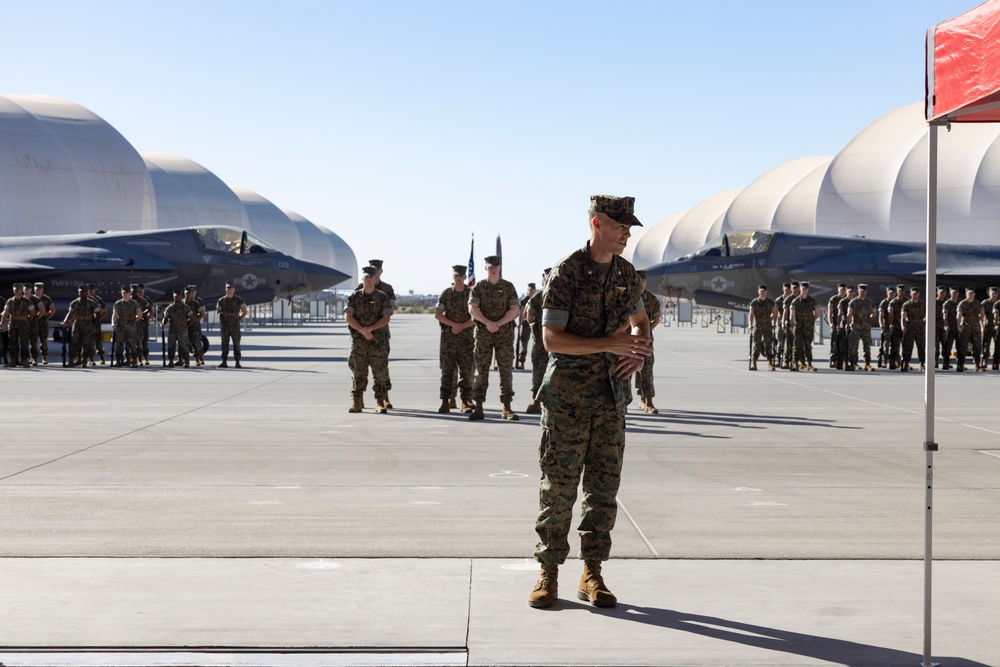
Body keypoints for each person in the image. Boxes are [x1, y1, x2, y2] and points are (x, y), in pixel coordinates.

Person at [529, 194, 652, 610]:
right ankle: (549, 573)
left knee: (603, 491)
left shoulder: (627, 275)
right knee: (559, 489)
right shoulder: (567, 273)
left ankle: (592, 572)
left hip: (610, 401)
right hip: (567, 399)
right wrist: (611, 343)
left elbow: (641, 322)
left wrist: (635, 354)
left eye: (629, 227)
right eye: (620, 226)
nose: (627, 233)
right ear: (597, 223)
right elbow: (552, 340)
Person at [468, 255, 520, 421]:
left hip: (504, 335)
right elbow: (472, 308)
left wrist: (498, 323)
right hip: (484, 334)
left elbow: (514, 309)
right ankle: (479, 407)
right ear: (486, 268)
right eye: (490, 267)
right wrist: (487, 323)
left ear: (500, 268)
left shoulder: (508, 286)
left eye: (495, 267)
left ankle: (507, 407)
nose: (492, 269)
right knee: (481, 371)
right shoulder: (478, 287)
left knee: (505, 371)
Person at [346, 266, 392, 413]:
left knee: (379, 372)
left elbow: (386, 318)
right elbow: (348, 317)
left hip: (377, 342)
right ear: (362, 279)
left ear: (375, 279)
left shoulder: (382, 297)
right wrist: (362, 330)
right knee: (358, 372)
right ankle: (357, 401)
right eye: (366, 277)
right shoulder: (354, 297)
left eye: (371, 277)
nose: (369, 279)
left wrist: (369, 330)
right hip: (359, 342)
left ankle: (380, 402)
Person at [434, 265, 475, 413]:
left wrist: (462, 326)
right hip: (449, 339)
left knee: (466, 372)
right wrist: (453, 325)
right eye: (456, 275)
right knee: (447, 372)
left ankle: (465, 401)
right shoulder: (446, 293)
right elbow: (438, 314)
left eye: (461, 276)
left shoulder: (471, 294)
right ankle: (445, 401)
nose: (458, 278)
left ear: (465, 277)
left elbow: (476, 315)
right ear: (453, 276)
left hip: (467, 339)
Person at [359, 259, 396, 407]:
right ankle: (358, 398)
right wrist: (364, 329)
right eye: (371, 269)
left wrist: (373, 326)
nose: (374, 272)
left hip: (381, 333)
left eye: (377, 269)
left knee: (382, 366)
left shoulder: (387, 289)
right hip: (361, 334)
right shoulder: (360, 288)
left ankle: (384, 397)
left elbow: (390, 310)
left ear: (381, 271)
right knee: (360, 367)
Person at [635, 270, 662, 411]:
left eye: (643, 281)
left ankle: (647, 401)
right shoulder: (625, 297)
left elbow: (656, 319)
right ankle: (623, 403)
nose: (641, 284)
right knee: (622, 371)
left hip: (645, 342)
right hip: (626, 340)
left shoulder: (651, 299)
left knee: (646, 370)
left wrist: (645, 330)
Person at [524, 268, 550, 414]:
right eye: (546, 279)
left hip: (559, 343)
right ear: (543, 280)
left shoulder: (562, 295)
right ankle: (536, 401)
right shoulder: (537, 298)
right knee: (539, 372)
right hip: (540, 343)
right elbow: (529, 317)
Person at [0, 283, 36, 367]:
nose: (16, 290)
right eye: (15, 289)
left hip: (23, 324)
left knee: (24, 343)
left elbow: (32, 312)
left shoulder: (27, 301)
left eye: (18, 289)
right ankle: (13, 360)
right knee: (12, 343)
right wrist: (1, 322)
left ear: (21, 290)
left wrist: (28, 319)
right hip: (13, 324)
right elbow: (6, 312)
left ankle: (24, 360)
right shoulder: (10, 301)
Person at [62, 285, 97, 367]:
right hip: (77, 324)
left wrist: (95, 321)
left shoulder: (92, 303)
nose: (82, 293)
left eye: (83, 292)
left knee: (86, 343)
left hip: (88, 324)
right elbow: (70, 314)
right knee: (74, 342)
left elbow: (98, 313)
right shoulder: (75, 303)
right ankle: (71, 360)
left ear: (86, 293)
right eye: (80, 292)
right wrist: (65, 322)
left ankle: (84, 360)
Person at [216, 281, 248, 368]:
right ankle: (224, 361)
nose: (229, 289)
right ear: (225, 289)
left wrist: (239, 319)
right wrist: (223, 317)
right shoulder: (221, 300)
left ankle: (237, 362)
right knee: (224, 344)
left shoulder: (239, 300)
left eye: (231, 288)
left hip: (235, 326)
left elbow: (244, 311)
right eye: (227, 287)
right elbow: (218, 312)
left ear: (234, 289)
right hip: (225, 326)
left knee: (236, 344)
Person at [789, 281, 819, 371]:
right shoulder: (795, 301)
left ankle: (809, 363)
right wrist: (791, 325)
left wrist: (810, 320)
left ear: (808, 289)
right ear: (800, 289)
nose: (804, 290)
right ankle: (796, 363)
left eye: (806, 288)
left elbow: (817, 313)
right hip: (798, 327)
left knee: (808, 345)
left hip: (808, 328)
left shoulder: (813, 300)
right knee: (797, 345)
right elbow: (792, 315)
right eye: (803, 288)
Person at [847, 284, 876, 371]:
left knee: (867, 346)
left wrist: (868, 319)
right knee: (854, 346)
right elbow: (849, 314)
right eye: (861, 291)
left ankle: (867, 364)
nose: (863, 293)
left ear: (866, 292)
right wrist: (847, 324)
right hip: (855, 326)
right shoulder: (853, 302)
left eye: (864, 292)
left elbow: (874, 313)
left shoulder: (870, 302)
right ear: (858, 292)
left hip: (866, 328)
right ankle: (852, 363)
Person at [111, 285, 142, 366]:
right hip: (120, 326)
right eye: (123, 293)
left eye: (127, 293)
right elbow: (114, 314)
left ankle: (134, 361)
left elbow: (139, 315)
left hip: (130, 327)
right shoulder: (118, 303)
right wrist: (113, 323)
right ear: (121, 293)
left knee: (132, 344)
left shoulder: (134, 303)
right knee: (119, 344)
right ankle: (118, 361)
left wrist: (133, 320)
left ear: (129, 293)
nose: (125, 294)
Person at [161, 290, 193, 368]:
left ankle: (186, 362)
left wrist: (186, 325)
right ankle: (171, 361)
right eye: (175, 297)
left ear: (181, 297)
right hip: (172, 329)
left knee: (184, 346)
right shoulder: (170, 307)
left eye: (178, 296)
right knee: (171, 346)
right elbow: (166, 317)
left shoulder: (185, 307)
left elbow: (191, 318)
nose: (177, 298)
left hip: (182, 330)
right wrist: (162, 324)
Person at [748, 284, 776, 371]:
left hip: (767, 326)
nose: (763, 292)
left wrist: (771, 319)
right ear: (758, 292)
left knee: (768, 344)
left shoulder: (770, 302)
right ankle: (754, 363)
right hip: (758, 325)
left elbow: (775, 312)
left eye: (764, 291)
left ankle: (770, 363)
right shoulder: (754, 302)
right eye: (761, 291)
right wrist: (750, 324)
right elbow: (751, 314)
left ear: (766, 292)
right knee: (756, 345)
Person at [957, 286, 984, 372]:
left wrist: (981, 324)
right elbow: (959, 316)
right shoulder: (962, 303)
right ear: (966, 294)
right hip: (966, 326)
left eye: (972, 293)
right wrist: (959, 326)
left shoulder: (978, 303)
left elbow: (982, 315)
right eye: (969, 293)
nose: (971, 295)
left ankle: (977, 364)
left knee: (977, 346)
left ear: (974, 294)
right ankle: (960, 364)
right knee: (963, 347)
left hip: (976, 327)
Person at [899, 286, 926, 372]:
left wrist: (925, 321)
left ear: (919, 294)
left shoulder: (923, 304)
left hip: (920, 327)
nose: (915, 295)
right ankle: (905, 363)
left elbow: (927, 314)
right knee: (907, 346)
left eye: (916, 293)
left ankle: (922, 363)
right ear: (910, 294)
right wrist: (903, 326)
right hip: (910, 327)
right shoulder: (906, 305)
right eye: (913, 293)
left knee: (921, 346)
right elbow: (903, 317)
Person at [33, 282, 55, 365]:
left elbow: (53, 309)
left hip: (43, 322)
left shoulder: (47, 299)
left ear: (42, 290)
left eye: (39, 290)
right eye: (36, 290)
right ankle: (34, 358)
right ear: (34, 290)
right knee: (33, 341)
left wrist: (47, 317)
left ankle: (44, 357)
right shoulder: (31, 298)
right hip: (33, 322)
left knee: (43, 340)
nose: (38, 291)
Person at [515, 283, 537, 370]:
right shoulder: (524, 301)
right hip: (526, 325)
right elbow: (521, 313)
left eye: (532, 290)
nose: (531, 291)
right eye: (530, 290)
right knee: (523, 344)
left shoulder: (537, 299)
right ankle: (521, 361)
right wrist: (520, 324)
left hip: (536, 324)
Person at [185, 285, 207, 366]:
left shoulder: (199, 301)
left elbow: (202, 313)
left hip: (195, 325)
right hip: (185, 325)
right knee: (184, 342)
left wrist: (196, 319)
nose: (192, 293)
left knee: (197, 342)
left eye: (193, 292)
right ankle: (182, 359)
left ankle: (199, 358)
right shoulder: (184, 301)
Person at [827, 284, 846, 369]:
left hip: (845, 324)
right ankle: (833, 359)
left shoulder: (849, 299)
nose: (842, 291)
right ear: (838, 290)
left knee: (845, 342)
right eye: (841, 290)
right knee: (834, 342)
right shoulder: (833, 299)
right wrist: (831, 323)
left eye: (844, 290)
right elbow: (830, 313)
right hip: (835, 324)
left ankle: (845, 360)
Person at [941, 287, 961, 370]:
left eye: (956, 293)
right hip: (950, 327)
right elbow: (945, 317)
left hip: (959, 328)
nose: (955, 294)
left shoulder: (961, 303)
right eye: (953, 293)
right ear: (950, 293)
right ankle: (946, 363)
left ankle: (960, 364)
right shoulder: (947, 304)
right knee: (947, 347)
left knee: (960, 347)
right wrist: (946, 325)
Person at [88, 284, 107, 366]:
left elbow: (104, 311)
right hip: (87, 324)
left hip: (96, 324)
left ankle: (101, 358)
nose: (91, 291)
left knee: (98, 341)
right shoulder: (85, 299)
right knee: (89, 342)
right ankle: (90, 359)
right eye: (89, 289)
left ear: (95, 290)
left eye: (92, 289)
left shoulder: (98, 300)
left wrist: (98, 318)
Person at [877, 286, 896, 369]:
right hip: (886, 326)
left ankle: (896, 360)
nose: (891, 295)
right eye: (890, 293)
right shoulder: (884, 303)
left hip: (896, 326)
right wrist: (881, 324)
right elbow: (881, 315)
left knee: (896, 345)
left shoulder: (897, 302)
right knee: (886, 344)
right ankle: (884, 360)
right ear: (887, 293)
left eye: (892, 293)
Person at [134, 283, 153, 365]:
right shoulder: (133, 300)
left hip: (144, 322)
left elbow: (151, 310)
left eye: (141, 290)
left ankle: (145, 358)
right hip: (135, 322)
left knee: (144, 340)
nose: (140, 292)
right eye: (138, 290)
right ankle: (136, 358)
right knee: (135, 341)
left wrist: (147, 318)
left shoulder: (146, 300)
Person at [982, 287, 998, 370]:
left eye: (995, 293)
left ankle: (996, 363)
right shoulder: (985, 303)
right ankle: (985, 361)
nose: (994, 295)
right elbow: (981, 314)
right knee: (986, 345)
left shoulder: (999, 303)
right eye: (993, 293)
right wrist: (982, 325)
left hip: (997, 327)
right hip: (987, 327)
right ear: (989, 293)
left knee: (998, 346)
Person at [934, 286, 947, 368]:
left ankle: (946, 363)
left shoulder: (947, 303)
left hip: (945, 328)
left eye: (943, 292)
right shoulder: (933, 302)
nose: (942, 294)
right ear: (937, 293)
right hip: (935, 327)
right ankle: (935, 362)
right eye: (940, 292)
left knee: (946, 346)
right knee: (935, 347)